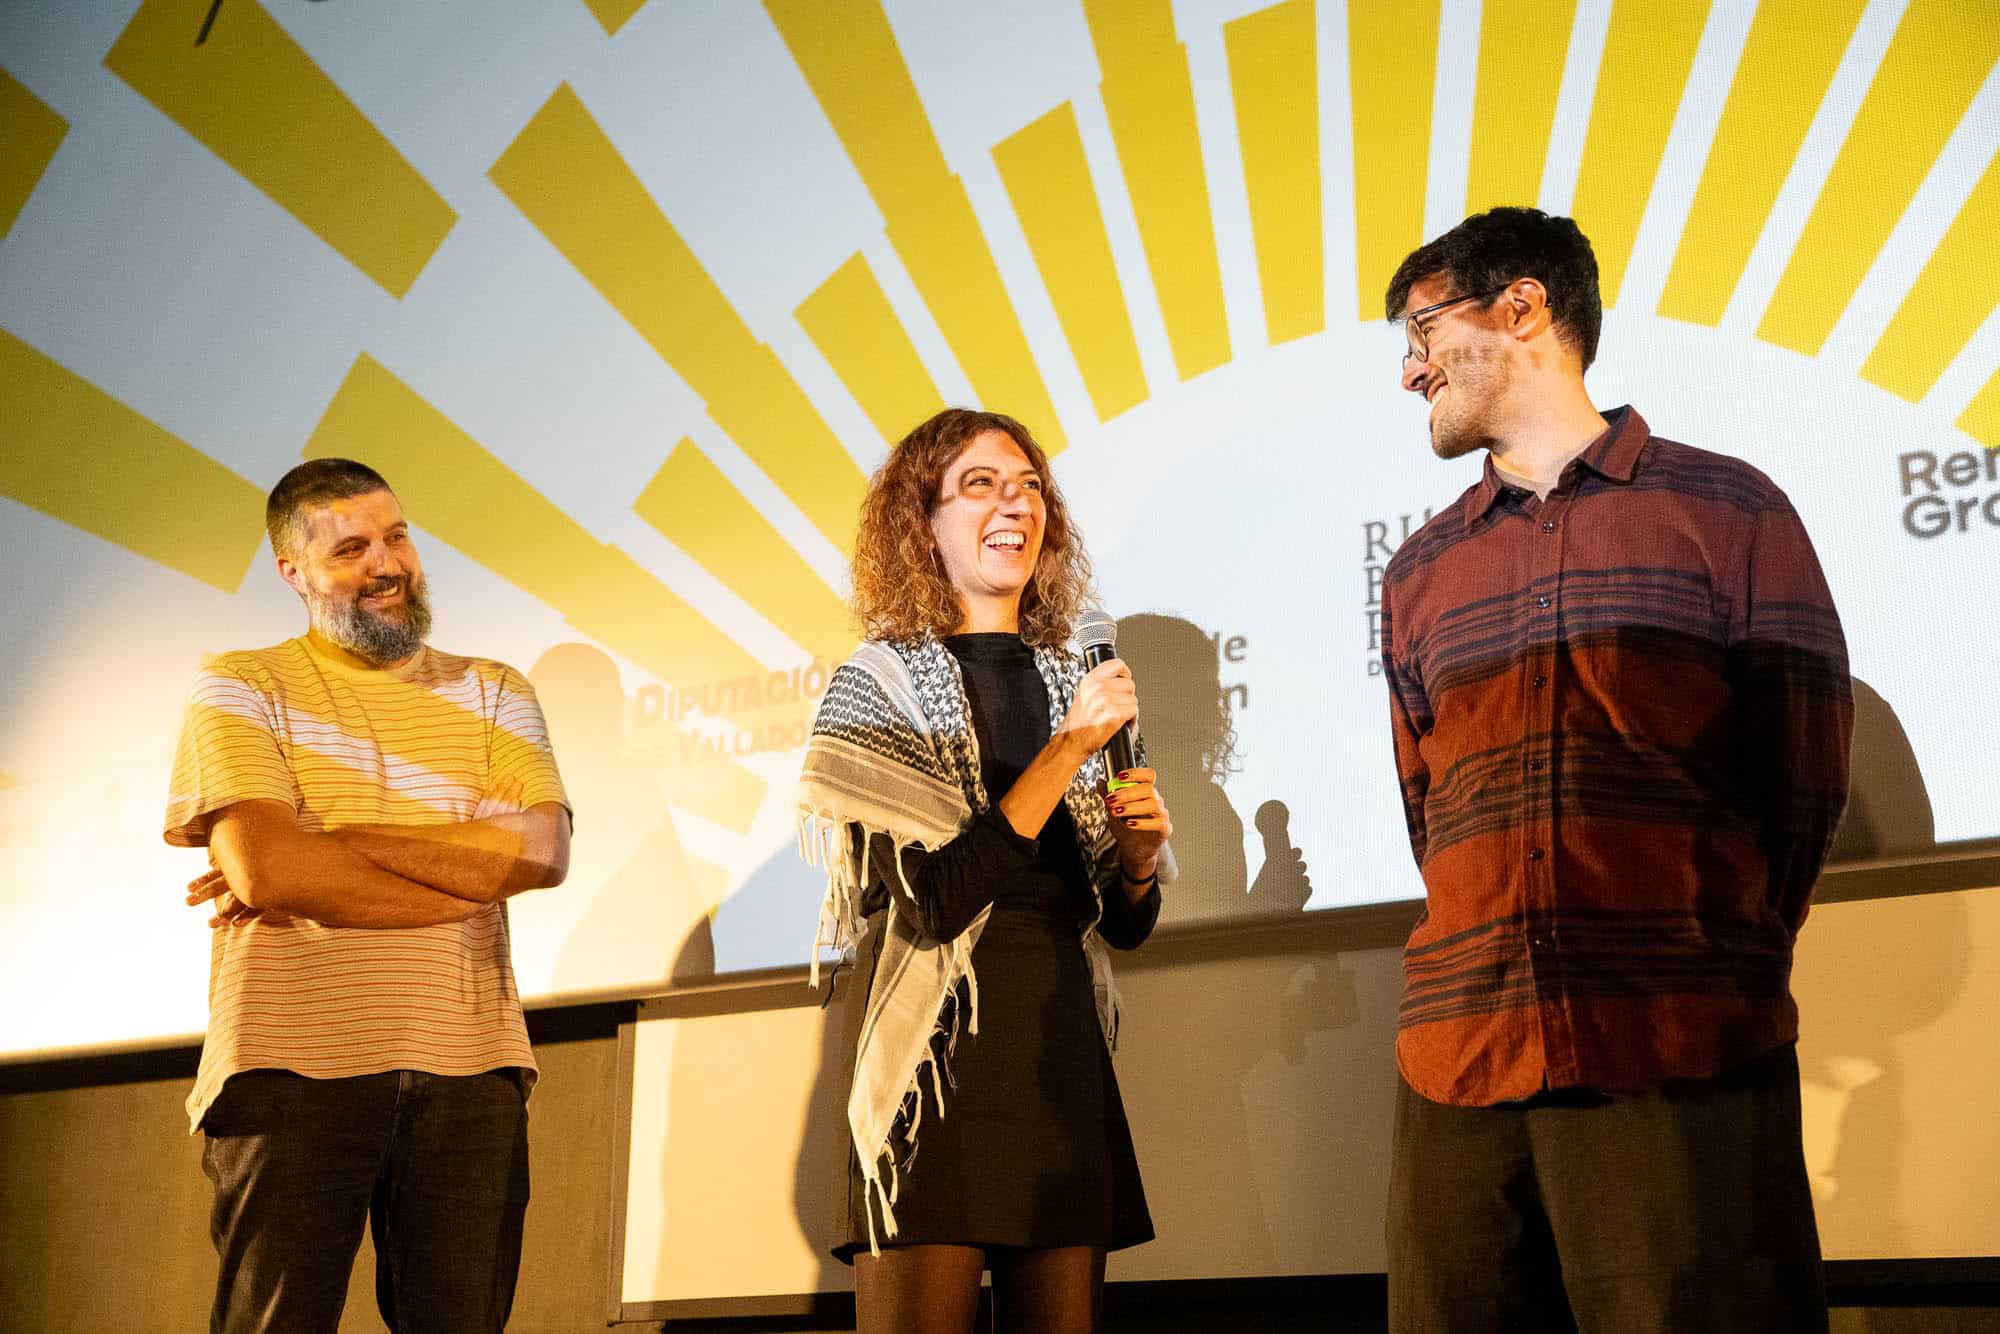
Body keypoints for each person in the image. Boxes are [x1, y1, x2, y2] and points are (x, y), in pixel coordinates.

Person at [1376, 208, 1852, 1332]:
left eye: (1423, 330)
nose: (1409, 370)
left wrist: (1705, 945)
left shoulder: (1726, 509)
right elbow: (1428, 806)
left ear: (1522, 307)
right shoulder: (1420, 568)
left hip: (1674, 1042)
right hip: (1463, 1052)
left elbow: (1802, 778)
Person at [163, 458, 572, 1334]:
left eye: (397, 538)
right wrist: (464, 875)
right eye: (351, 549)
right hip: (287, 1065)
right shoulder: (240, 683)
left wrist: (339, 839)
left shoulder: (498, 689)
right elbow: (270, 873)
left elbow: (539, 854)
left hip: (470, 1063)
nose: (387, 565)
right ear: (293, 571)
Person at [798, 408, 1170, 1333]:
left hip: (1055, 1055)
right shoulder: (876, 684)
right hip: (932, 1068)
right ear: (922, 524)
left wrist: (1136, 866)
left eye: (1030, 487)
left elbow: (1121, 928)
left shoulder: (1073, 682)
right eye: (980, 486)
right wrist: (1068, 747)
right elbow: (937, 900)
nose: (1016, 505)